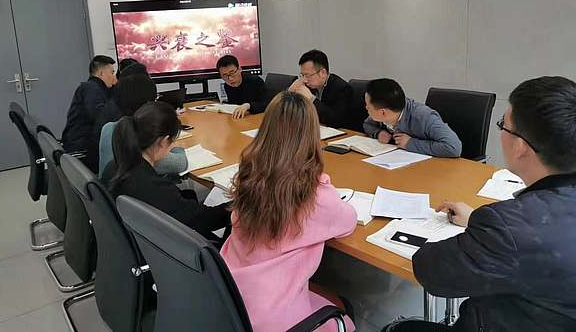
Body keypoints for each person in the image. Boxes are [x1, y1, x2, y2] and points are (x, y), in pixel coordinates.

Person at [388, 76, 576, 332]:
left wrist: (488, 230)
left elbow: (431, 271)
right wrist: (480, 221)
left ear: (520, 146)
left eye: (503, 126)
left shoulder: (509, 226)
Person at [220, 91, 357, 332]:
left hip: (228, 299)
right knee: (345, 314)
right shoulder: (314, 194)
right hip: (274, 320)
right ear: (312, 136)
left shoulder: (248, 176)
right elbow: (349, 220)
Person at [102, 101, 230, 242]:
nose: (173, 145)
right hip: (155, 245)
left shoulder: (114, 167)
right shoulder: (153, 188)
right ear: (163, 142)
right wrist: (234, 208)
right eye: (173, 141)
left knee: (189, 195)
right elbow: (198, 219)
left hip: (127, 238)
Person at [95, 73, 188, 176]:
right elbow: (181, 163)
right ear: (148, 105)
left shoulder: (108, 127)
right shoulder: (144, 148)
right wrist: (173, 143)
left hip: (111, 183)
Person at [363, 79, 461, 158]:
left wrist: (410, 143)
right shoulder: (387, 114)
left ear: (383, 112)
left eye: (368, 106)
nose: (366, 108)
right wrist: (378, 133)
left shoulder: (424, 117)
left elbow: (453, 147)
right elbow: (367, 124)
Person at [62, 55, 116, 171]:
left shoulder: (91, 87)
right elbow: (99, 119)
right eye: (112, 73)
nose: (114, 77)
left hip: (77, 142)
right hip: (82, 148)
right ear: (101, 74)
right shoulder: (92, 89)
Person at [288, 49, 352, 128]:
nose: (305, 80)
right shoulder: (307, 85)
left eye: (307, 75)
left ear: (323, 73)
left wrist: (311, 99)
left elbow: (335, 120)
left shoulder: (342, 88)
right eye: (302, 75)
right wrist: (289, 92)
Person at [216, 55, 269, 119]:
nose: (230, 78)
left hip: (258, 118)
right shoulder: (227, 86)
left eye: (232, 73)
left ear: (239, 69)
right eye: (225, 76)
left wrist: (248, 106)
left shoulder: (255, 81)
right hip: (241, 118)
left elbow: (266, 104)